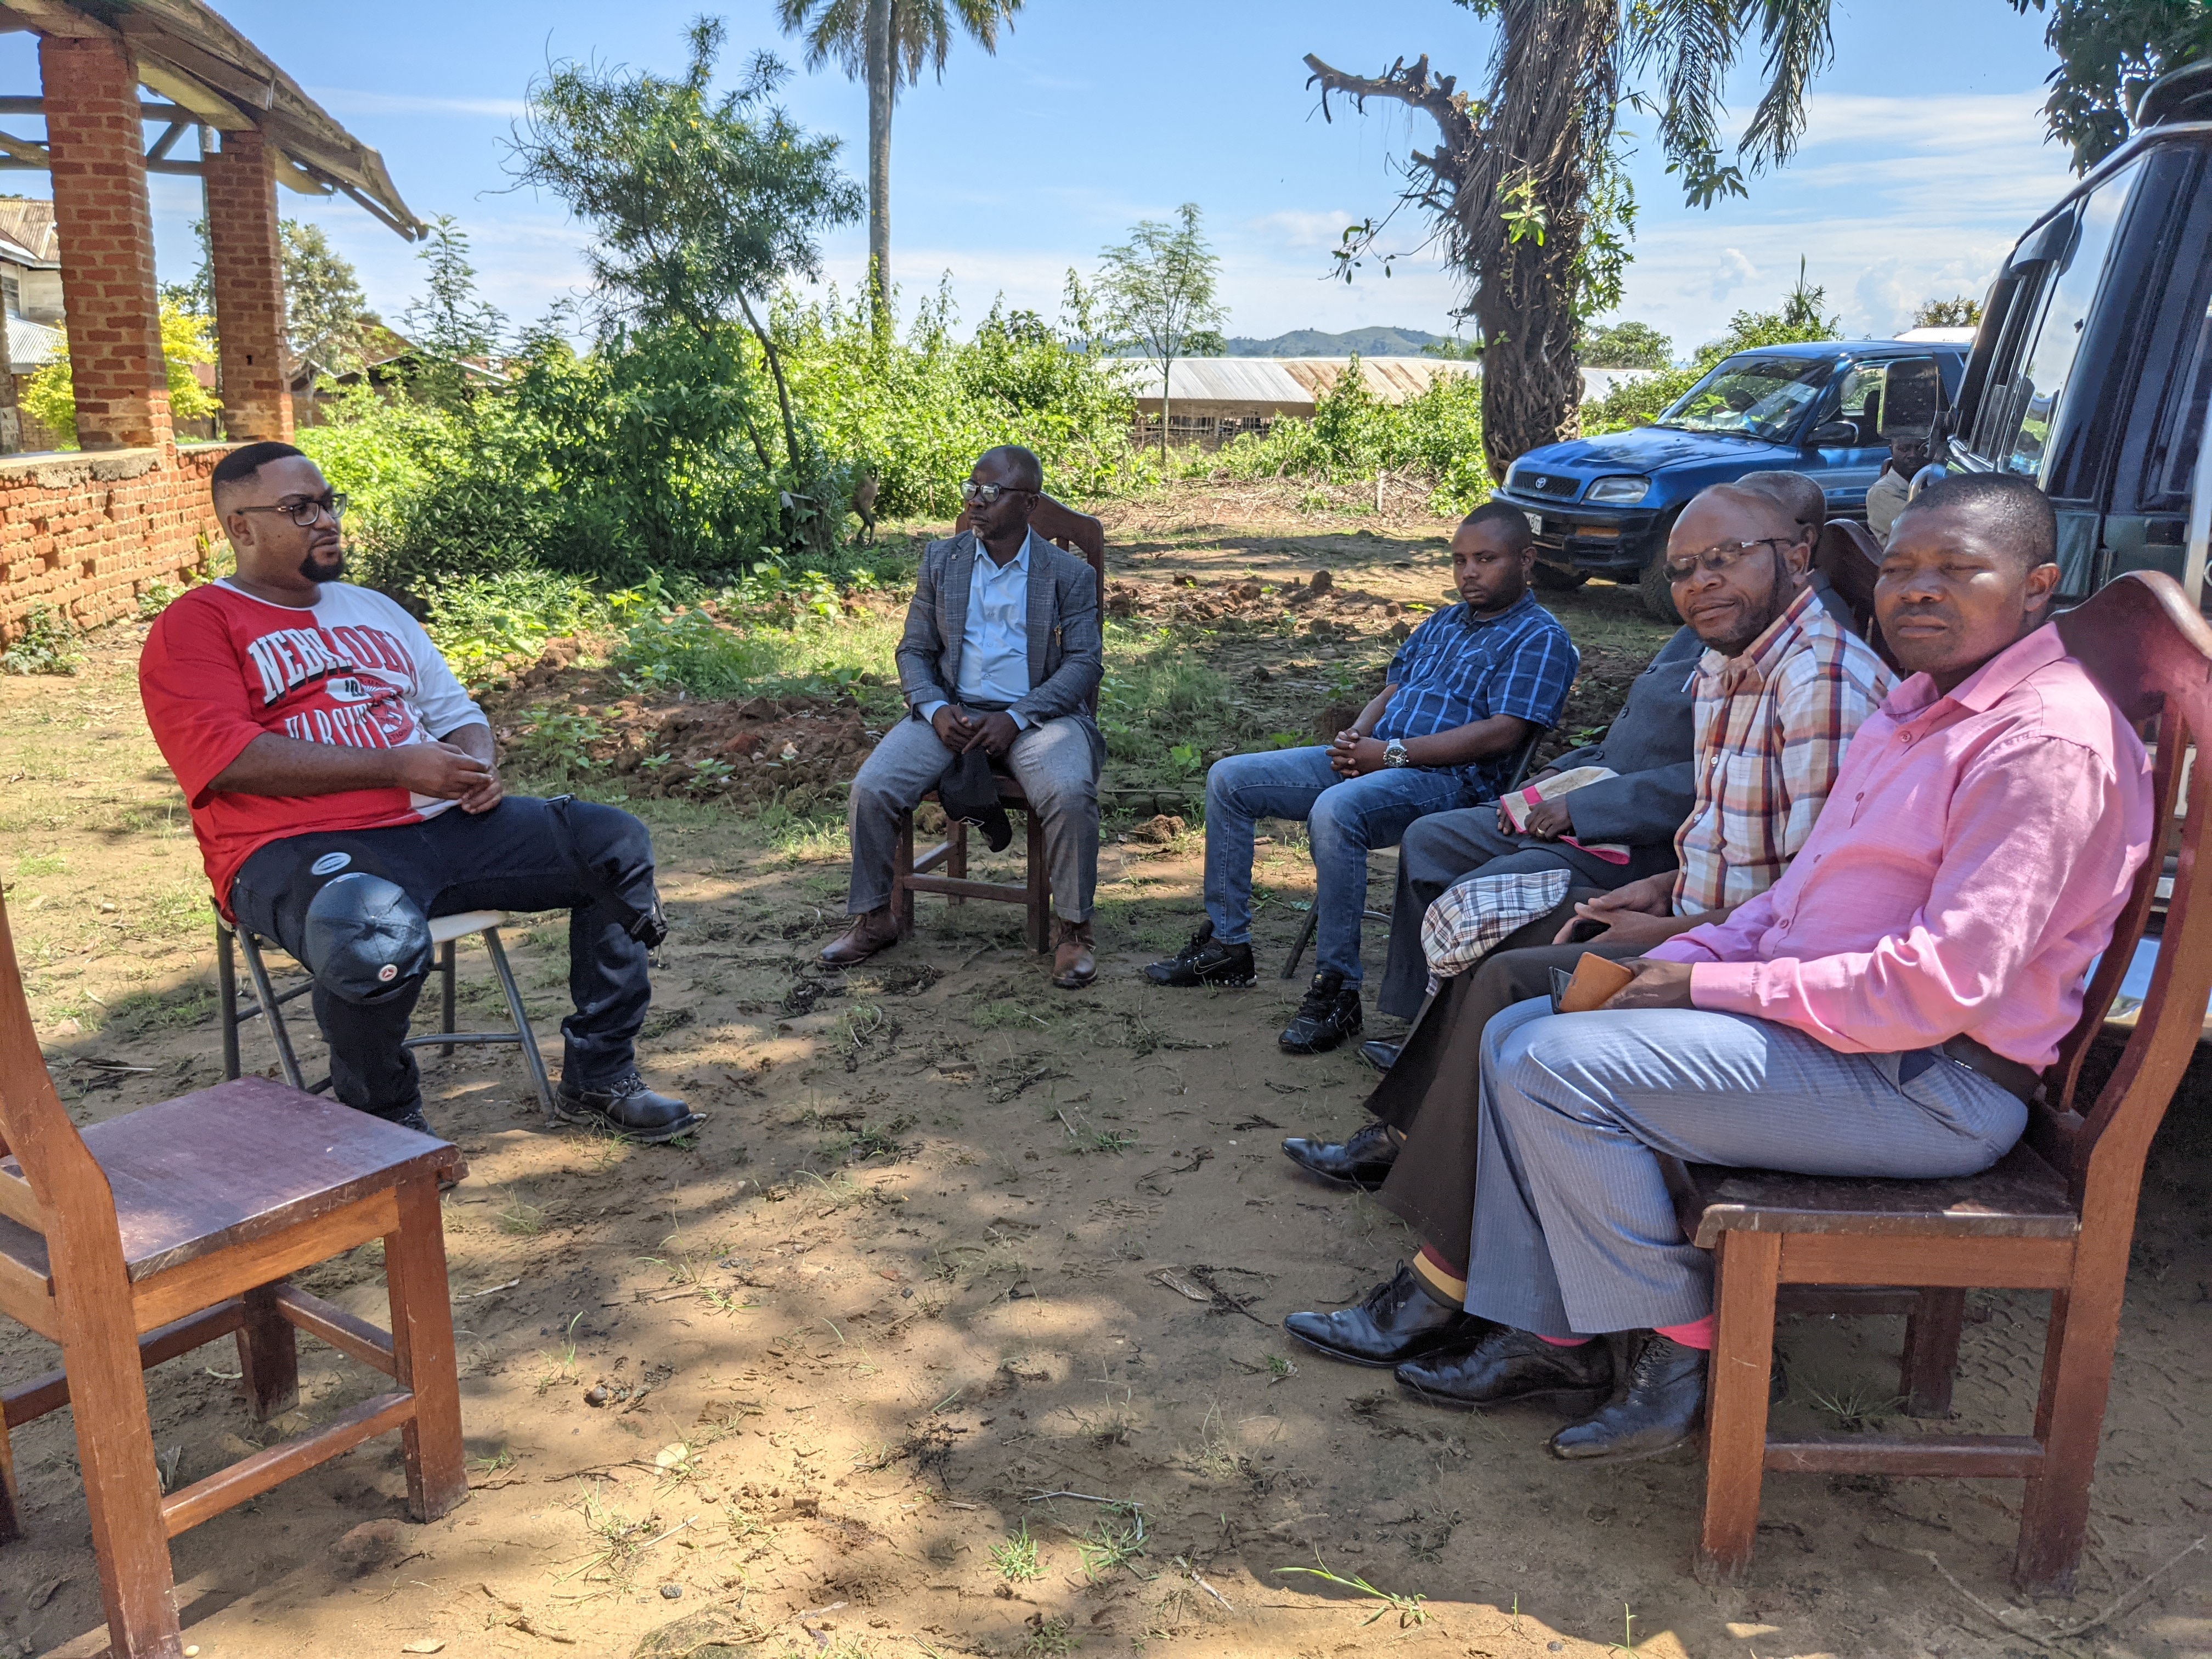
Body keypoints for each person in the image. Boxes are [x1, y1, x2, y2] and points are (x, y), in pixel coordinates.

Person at [1413, 473, 2152, 1464]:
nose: (1915, 592)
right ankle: (1556, 1333)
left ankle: (1680, 1351)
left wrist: (1711, 983)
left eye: (1954, 570)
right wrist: (1691, 948)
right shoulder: (1920, 708)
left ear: (2036, 585)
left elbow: (1936, 987)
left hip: (1929, 1080)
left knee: (1550, 1063)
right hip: (1841, 1037)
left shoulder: (2040, 743)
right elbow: (1797, 895)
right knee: (1519, 1029)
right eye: (1898, 570)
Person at [1279, 480, 1892, 1363]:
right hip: (1689, 909)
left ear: (1796, 553)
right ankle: (1437, 1211)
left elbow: (1810, 903)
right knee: (1504, 961)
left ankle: (1443, 1285)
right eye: (1684, 569)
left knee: (1511, 986)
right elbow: (1729, 829)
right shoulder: (1736, 659)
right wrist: (1663, 889)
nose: (1702, 583)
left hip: (1743, 964)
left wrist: (1673, 915)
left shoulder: (1822, 682)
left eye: (1726, 560)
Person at [139, 442, 697, 1142]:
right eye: (299, 509)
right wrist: (397, 766)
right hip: (291, 845)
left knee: (613, 844)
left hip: (441, 826)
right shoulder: (197, 623)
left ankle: (601, 1074)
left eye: (327, 502)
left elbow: (458, 714)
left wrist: (474, 765)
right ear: (241, 528)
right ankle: (384, 1125)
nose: (325, 521)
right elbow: (228, 761)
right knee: (365, 930)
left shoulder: (374, 609)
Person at [1144, 504, 1577, 1055]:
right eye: (1460, 560)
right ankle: (1229, 945)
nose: (1469, 572)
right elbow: (1394, 689)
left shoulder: (1540, 637)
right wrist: (1356, 737)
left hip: (1450, 782)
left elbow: (1502, 734)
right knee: (1230, 779)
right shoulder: (1446, 621)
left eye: (1486, 560)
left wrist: (1390, 754)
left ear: (1526, 560)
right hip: (1378, 757)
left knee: (1338, 811)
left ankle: (1338, 990)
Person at [825, 445, 1104, 989]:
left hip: (1040, 719)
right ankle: (875, 918)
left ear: (1027, 503)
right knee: (872, 788)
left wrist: (1019, 717)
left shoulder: (1067, 575)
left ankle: (1074, 931)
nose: (975, 502)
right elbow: (914, 650)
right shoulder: (942, 560)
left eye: (990, 493)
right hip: (951, 712)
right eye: (970, 490)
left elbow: (1084, 664)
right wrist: (932, 709)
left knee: (1070, 795)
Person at [1866, 435, 1944, 543]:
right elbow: (1920, 529)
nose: (1913, 455)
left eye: (1920, 448)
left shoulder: (1931, 481)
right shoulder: (1880, 492)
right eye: (1904, 449)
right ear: (1891, 450)